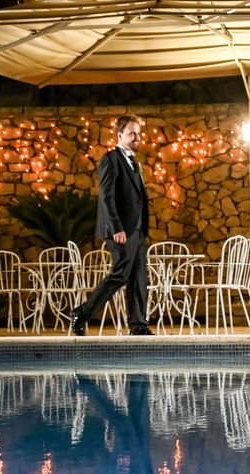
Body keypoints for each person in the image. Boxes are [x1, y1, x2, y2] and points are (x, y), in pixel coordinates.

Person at [71, 115, 153, 336]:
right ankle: (83, 312)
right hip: (120, 230)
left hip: (136, 230)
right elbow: (106, 197)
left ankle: (138, 326)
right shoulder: (110, 159)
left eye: (138, 133)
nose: (137, 137)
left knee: (138, 277)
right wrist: (116, 227)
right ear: (119, 135)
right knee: (120, 275)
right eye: (131, 133)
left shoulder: (134, 161)